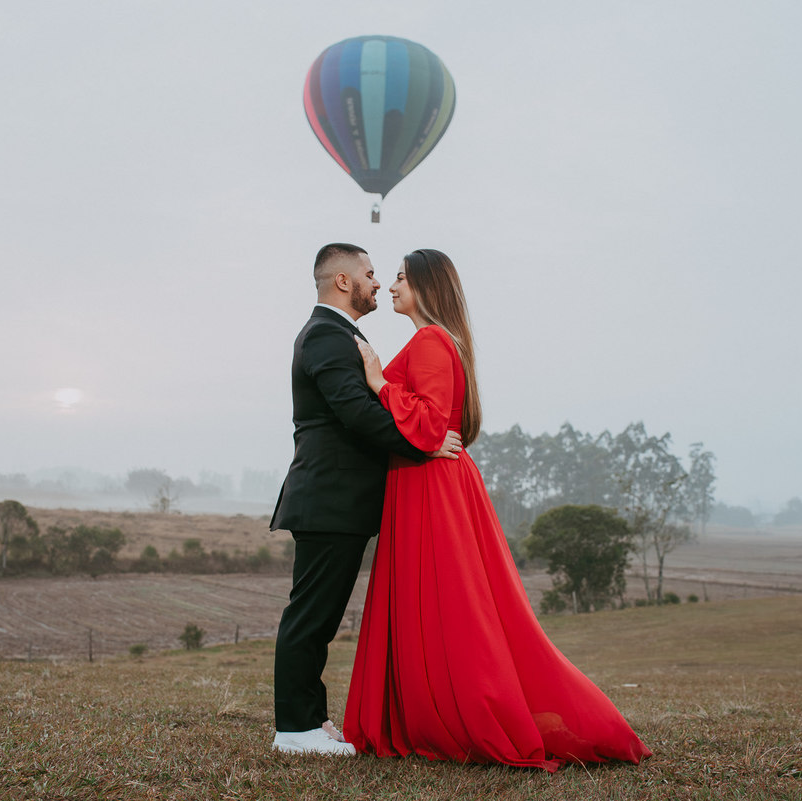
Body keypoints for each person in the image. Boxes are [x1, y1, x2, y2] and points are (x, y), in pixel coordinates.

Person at [344, 249, 651, 772]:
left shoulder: (433, 341)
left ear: (425, 286)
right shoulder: (433, 341)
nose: (391, 286)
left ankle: (480, 708)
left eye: (399, 278)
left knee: (454, 604)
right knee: (437, 600)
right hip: (421, 480)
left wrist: (377, 382)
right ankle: (427, 706)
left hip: (431, 482)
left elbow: (432, 422)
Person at [270, 243, 462, 756]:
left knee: (320, 617)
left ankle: (309, 722)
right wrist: (425, 441)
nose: (378, 283)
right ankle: (295, 731)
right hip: (329, 497)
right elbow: (357, 412)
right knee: (311, 617)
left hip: (337, 500)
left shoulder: (338, 335)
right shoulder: (327, 336)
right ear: (342, 282)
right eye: (371, 274)